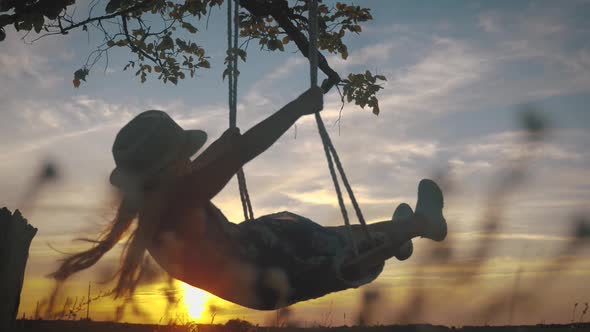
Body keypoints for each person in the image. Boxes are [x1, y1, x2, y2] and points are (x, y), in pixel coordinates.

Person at [51, 87, 447, 310]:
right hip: (268, 267)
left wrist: (218, 151)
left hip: (252, 274)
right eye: (183, 157)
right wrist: (296, 108)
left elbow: (197, 173)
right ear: (172, 166)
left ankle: (398, 238)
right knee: (336, 250)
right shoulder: (179, 198)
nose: (189, 162)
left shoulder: (156, 207)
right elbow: (244, 152)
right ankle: (418, 225)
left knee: (337, 239)